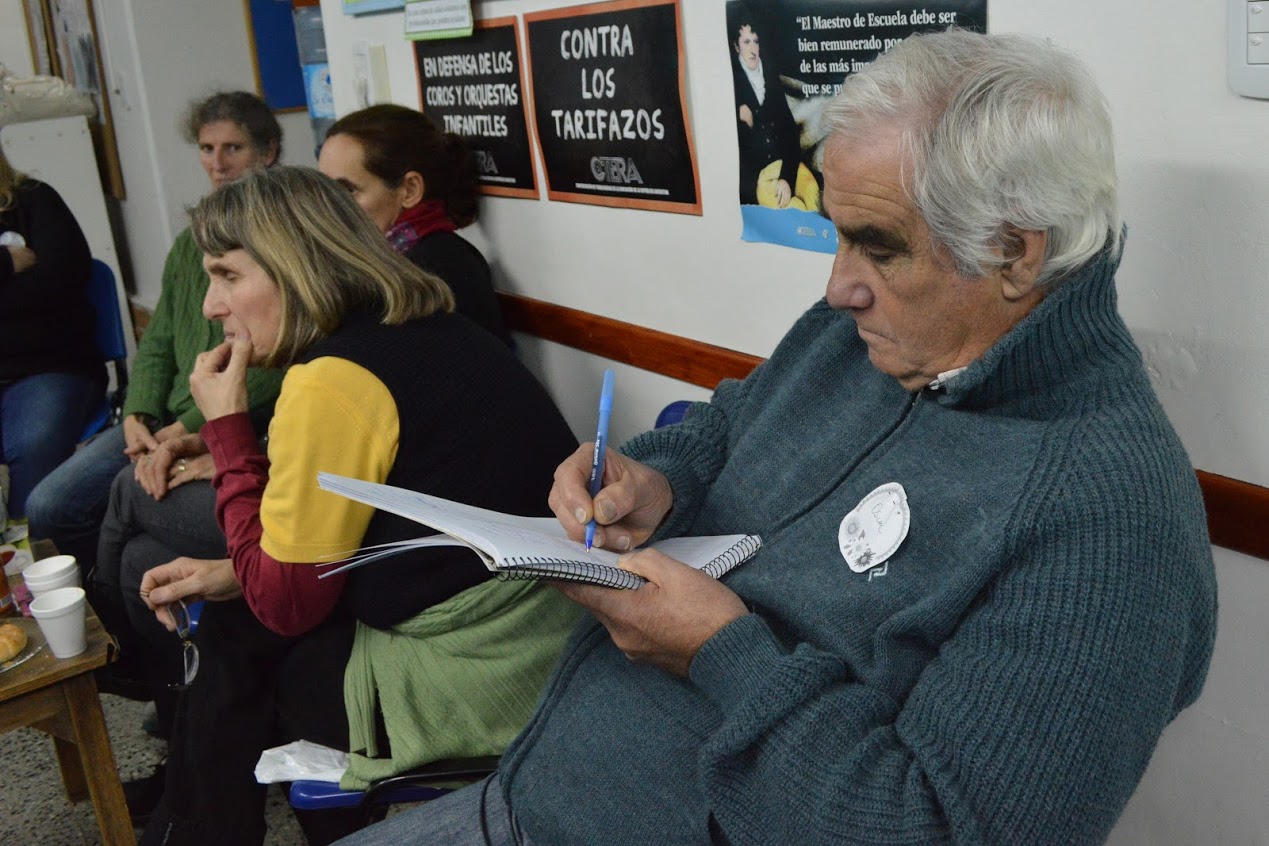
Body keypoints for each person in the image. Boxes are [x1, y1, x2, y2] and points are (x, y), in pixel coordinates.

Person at [335, 30, 1219, 846]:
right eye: (837, 236)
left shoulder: (1108, 521)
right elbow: (729, 425)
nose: (838, 288)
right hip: (523, 795)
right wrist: (659, 479)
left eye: (879, 247)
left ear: (1014, 255)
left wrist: (720, 655)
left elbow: (940, 830)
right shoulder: (861, 337)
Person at [133, 166, 579, 846]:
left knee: (239, 646)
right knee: (234, 624)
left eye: (227, 276)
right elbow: (374, 527)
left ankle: (189, 831)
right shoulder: (430, 326)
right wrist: (233, 573)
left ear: (294, 266)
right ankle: (190, 826)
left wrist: (227, 430)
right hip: (552, 628)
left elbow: (286, 603)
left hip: (494, 669)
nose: (212, 306)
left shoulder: (332, 381)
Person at [26, 91, 286, 579]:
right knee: (47, 504)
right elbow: (159, 341)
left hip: (211, 425)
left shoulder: (279, 240)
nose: (218, 163)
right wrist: (137, 413)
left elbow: (276, 363)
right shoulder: (190, 242)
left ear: (268, 152)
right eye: (207, 148)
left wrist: (182, 428)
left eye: (233, 148)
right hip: (161, 422)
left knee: (92, 507)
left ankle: (106, 604)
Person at [318, 104, 510, 346]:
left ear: (410, 190)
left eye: (347, 190)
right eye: (323, 191)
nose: (327, 206)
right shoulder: (383, 262)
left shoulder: (438, 266)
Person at [0, 147, 104, 515]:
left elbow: (61, 280)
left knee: (35, 443)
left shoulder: (35, 199)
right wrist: (6, 262)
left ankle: (29, 541)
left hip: (50, 367)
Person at [729, 7, 819, 211]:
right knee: (795, 210)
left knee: (814, 197)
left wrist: (786, 178)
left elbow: (789, 134)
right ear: (736, 47)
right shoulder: (731, 84)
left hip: (784, 165)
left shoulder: (770, 80)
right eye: (746, 42)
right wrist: (738, 119)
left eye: (755, 41)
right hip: (757, 180)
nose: (753, 49)